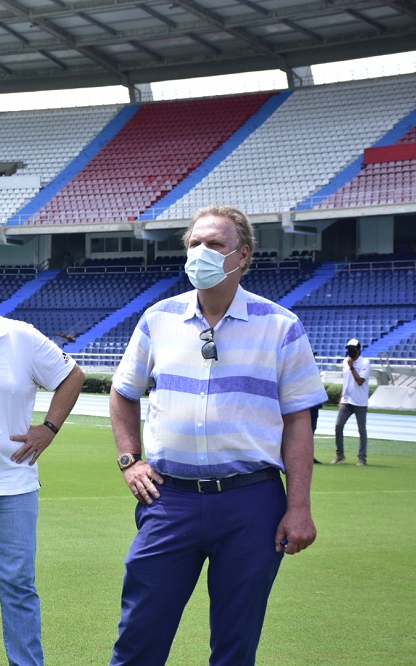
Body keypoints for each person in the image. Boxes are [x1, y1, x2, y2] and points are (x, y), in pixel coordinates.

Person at [109, 204, 327, 666]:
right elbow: (122, 392)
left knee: (235, 643)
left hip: (251, 502)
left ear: (242, 255)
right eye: (194, 243)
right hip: (170, 499)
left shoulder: (281, 327)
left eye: (215, 244)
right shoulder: (157, 319)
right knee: (139, 636)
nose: (200, 253)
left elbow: (298, 422)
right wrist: (131, 459)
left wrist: (299, 508)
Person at [0, 274, 85, 666]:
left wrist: (49, 428)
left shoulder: (20, 336)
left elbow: (72, 375)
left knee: (18, 586)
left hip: (14, 484)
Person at [331, 338, 370, 465]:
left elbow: (360, 381)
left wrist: (352, 367)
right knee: (338, 426)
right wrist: (341, 398)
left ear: (358, 350)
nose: (350, 352)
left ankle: (362, 457)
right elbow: (346, 382)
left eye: (352, 350)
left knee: (361, 430)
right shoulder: (345, 362)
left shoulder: (365, 362)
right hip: (346, 400)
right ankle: (340, 454)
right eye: (348, 349)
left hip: (360, 402)